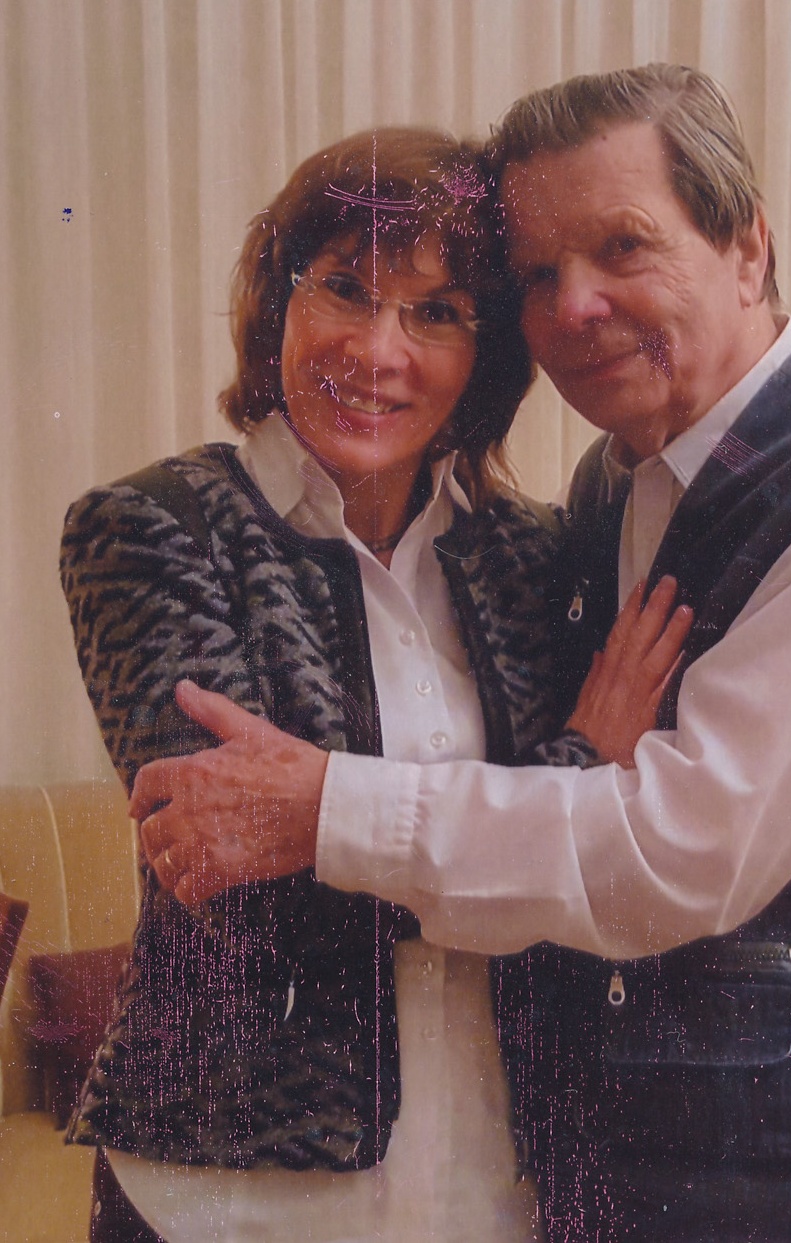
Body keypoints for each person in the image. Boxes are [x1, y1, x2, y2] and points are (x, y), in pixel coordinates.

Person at [132, 65, 791, 1243]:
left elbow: (683, 846)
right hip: (609, 1181)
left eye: (622, 247)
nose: (576, 307)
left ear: (747, 247)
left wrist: (325, 808)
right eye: (539, 275)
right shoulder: (604, 488)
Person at [59, 125, 689, 1243]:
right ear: (278, 301)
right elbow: (231, 874)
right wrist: (576, 768)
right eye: (344, 289)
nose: (376, 349)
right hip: (223, 1201)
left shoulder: (533, 556)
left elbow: (602, 870)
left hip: (488, 1189)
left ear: (487, 355)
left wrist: (325, 815)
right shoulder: (154, 530)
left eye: (435, 313)